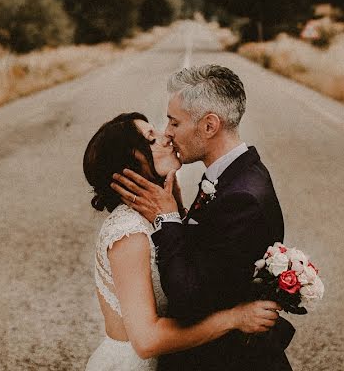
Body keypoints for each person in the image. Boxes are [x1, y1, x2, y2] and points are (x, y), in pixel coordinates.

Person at [111, 65, 293, 371]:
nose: (167, 132)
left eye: (174, 122)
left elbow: (190, 297)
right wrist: (178, 211)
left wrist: (167, 219)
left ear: (209, 126)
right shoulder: (233, 175)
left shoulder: (241, 197)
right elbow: (211, 254)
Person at [84, 112, 281, 371]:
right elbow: (146, 340)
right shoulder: (127, 233)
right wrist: (235, 318)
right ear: (129, 165)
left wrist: (176, 214)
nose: (166, 136)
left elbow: (184, 263)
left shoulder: (156, 213)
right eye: (151, 140)